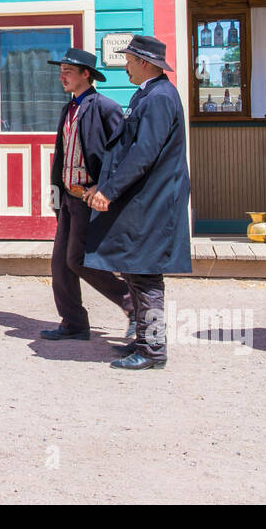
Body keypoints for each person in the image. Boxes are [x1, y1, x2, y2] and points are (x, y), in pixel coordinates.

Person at [83, 35, 191, 370]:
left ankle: (154, 349)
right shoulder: (149, 94)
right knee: (135, 271)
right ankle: (144, 341)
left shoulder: (159, 97)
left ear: (145, 63)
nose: (125, 65)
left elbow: (143, 153)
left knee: (146, 277)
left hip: (154, 201)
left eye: (129, 60)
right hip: (146, 199)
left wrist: (109, 190)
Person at [38, 47, 135, 342]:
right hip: (68, 196)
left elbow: (121, 154)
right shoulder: (69, 108)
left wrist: (104, 188)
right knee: (60, 263)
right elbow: (62, 154)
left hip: (90, 198)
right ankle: (74, 323)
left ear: (86, 74)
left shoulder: (105, 107)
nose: (62, 75)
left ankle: (133, 304)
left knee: (77, 260)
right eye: (61, 70)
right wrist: (56, 190)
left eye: (68, 71)